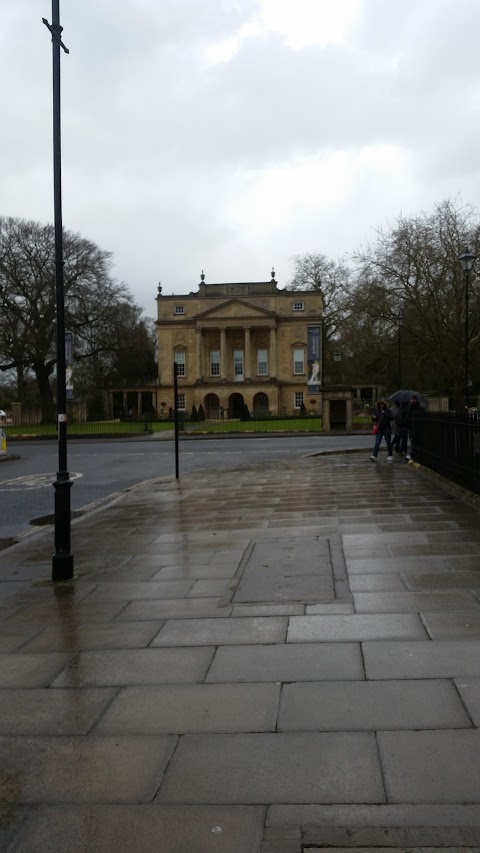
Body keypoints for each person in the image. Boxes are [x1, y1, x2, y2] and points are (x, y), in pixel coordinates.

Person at [399, 394, 426, 460]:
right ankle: (407, 452)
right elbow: (403, 416)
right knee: (406, 440)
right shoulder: (407, 407)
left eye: (414, 399)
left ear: (416, 400)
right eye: (412, 399)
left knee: (413, 441)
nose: (412, 400)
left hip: (415, 427)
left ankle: (411, 454)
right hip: (406, 426)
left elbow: (423, 418)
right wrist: (402, 423)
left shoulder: (420, 409)